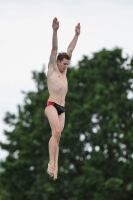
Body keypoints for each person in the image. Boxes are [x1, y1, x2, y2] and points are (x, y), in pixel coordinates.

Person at [44, 17, 81, 180]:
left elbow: (70, 50)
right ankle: (51, 164)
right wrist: (55, 31)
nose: (66, 67)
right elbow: (55, 47)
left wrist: (77, 35)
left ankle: (55, 168)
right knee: (56, 131)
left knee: (58, 137)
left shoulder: (64, 71)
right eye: (64, 64)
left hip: (62, 108)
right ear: (58, 62)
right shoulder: (52, 68)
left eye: (68, 65)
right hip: (51, 105)